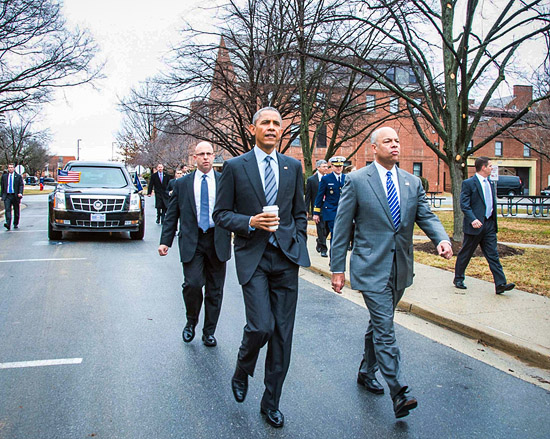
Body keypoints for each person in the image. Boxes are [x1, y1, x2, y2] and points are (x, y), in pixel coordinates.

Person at [330, 127, 453, 419]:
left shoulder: (412, 182)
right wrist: (337, 268)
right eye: (388, 141)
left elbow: (426, 214)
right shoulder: (357, 180)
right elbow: (341, 227)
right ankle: (399, 391)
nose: (395, 145)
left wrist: (442, 239)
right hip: (370, 267)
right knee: (385, 329)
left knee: (379, 323)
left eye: (397, 141)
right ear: (374, 148)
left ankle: (365, 370)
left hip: (400, 269)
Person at [213, 107, 310, 428]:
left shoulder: (293, 166)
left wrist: (297, 241)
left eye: (276, 124)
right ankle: (243, 367)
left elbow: (300, 212)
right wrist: (250, 221)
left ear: (282, 130)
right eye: (265, 123)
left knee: (283, 336)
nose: (271, 128)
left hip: (285, 259)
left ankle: (271, 402)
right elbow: (221, 214)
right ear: (252, 128)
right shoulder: (234, 167)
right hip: (252, 257)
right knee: (260, 327)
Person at [159, 142, 231, 347]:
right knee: (192, 284)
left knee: (215, 290)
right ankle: (191, 321)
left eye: (209, 154)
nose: (206, 157)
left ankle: (209, 331)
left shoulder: (224, 181)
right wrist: (165, 241)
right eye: (202, 154)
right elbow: (172, 214)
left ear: (213, 156)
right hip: (193, 241)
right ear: (194, 158)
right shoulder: (182, 184)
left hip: (217, 240)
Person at [453, 156, 515, 294]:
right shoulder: (469, 183)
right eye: (490, 166)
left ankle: (500, 284)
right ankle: (458, 278)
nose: (492, 168)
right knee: (466, 253)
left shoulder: (490, 183)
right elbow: (464, 204)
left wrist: (492, 222)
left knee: (493, 255)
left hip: (489, 225)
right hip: (475, 225)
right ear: (483, 167)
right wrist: (472, 219)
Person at [313, 155, 346, 237]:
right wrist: (316, 213)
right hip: (331, 210)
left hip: (344, 211)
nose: (339, 168)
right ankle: (333, 250)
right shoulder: (326, 179)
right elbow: (320, 196)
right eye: (336, 166)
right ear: (332, 166)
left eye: (340, 166)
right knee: (335, 233)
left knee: (343, 235)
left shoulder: (347, 178)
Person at [305, 159, 330, 257]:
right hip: (317, 208)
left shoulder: (329, 178)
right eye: (324, 166)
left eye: (327, 166)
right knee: (320, 228)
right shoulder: (311, 180)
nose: (326, 168)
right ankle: (324, 249)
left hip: (328, 208)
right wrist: (306, 210)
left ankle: (320, 241)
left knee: (327, 228)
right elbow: (308, 196)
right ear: (318, 167)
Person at [1, 164, 24, 230]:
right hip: (7, 195)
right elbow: (2, 186)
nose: (10, 169)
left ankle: (15, 223)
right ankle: (8, 224)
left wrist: (20, 193)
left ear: (14, 168)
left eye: (11, 167)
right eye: (9, 167)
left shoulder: (18, 176)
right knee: (7, 210)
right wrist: (1, 195)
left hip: (15, 195)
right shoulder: (4, 176)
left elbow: (21, 185)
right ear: (8, 168)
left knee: (16, 210)